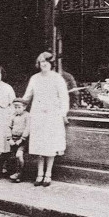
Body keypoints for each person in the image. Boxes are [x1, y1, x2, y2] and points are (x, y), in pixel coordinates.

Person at [22, 52, 69, 187]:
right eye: (41, 61)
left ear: (51, 64)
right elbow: (27, 96)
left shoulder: (57, 78)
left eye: (47, 62)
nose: (44, 64)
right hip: (37, 116)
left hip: (52, 116)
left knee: (50, 146)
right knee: (40, 146)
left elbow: (64, 97)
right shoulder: (34, 78)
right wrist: (17, 106)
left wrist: (63, 113)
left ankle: (48, 174)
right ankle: (39, 174)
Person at [6, 98, 30, 183]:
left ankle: (20, 173)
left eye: (19, 107)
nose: (17, 109)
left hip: (23, 140)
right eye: (15, 107)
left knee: (19, 155)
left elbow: (27, 128)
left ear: (24, 107)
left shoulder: (27, 116)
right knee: (13, 156)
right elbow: (8, 127)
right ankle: (16, 174)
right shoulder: (13, 116)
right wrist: (10, 138)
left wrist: (22, 139)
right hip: (14, 138)